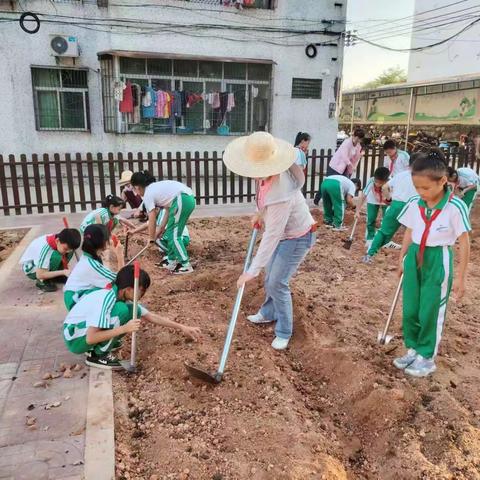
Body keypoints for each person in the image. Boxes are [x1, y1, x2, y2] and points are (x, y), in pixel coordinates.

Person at [224, 131, 316, 351]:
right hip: (284, 234)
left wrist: (251, 270)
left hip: (298, 237)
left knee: (277, 282)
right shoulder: (268, 174)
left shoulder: (280, 193)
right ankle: (268, 312)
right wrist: (259, 214)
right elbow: (262, 198)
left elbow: (272, 236)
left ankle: (284, 331)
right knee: (270, 278)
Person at [393, 149, 470, 377]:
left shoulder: (455, 208)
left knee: (430, 309)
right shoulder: (416, 204)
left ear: (443, 181)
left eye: (426, 188)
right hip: (414, 257)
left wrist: (462, 278)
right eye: (417, 187)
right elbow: (409, 231)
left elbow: (464, 243)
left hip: (438, 259)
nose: (421, 192)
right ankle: (413, 348)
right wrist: (401, 259)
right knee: (411, 309)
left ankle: (427, 356)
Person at [63, 265, 202, 369]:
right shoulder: (106, 298)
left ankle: (100, 347)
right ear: (128, 289)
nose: (143, 294)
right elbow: (90, 338)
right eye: (141, 290)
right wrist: (124, 329)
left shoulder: (118, 294)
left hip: (82, 331)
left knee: (130, 310)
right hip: (75, 337)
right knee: (122, 311)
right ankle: (98, 356)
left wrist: (182, 327)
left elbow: (150, 316)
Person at [130, 172, 196, 274]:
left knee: (174, 235)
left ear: (137, 187)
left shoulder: (148, 194)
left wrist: (151, 238)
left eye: (134, 190)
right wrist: (161, 228)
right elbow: (168, 210)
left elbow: (152, 218)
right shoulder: (154, 188)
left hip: (183, 199)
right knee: (170, 232)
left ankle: (186, 264)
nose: (136, 193)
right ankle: (171, 261)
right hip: (186, 199)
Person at [362, 158, 418, 263]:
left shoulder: (401, 175)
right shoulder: (422, 177)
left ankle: (369, 255)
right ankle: (411, 259)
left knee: (383, 231)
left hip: (396, 204)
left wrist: (388, 199)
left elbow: (384, 187)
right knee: (415, 232)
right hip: (413, 205)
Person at [63, 224, 124, 310]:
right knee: (116, 289)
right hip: (75, 301)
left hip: (75, 295)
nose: (110, 241)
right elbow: (121, 280)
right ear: (103, 242)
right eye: (108, 238)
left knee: (111, 288)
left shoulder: (88, 258)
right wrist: (120, 255)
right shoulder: (91, 264)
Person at [19, 228, 81, 292]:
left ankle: (54, 276)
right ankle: (42, 281)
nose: (68, 251)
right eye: (65, 248)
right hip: (32, 269)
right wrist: (63, 272)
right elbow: (39, 274)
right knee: (56, 256)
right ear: (57, 241)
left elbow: (67, 251)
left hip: (42, 264)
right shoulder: (47, 249)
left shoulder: (61, 241)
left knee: (67, 251)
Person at [356, 167, 390, 249]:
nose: (377, 184)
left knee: (386, 220)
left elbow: (392, 199)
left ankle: (384, 240)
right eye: (376, 181)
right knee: (371, 219)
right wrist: (357, 210)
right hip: (372, 200)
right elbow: (363, 196)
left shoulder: (391, 182)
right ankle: (370, 239)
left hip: (386, 201)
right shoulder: (371, 181)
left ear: (385, 181)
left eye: (380, 182)